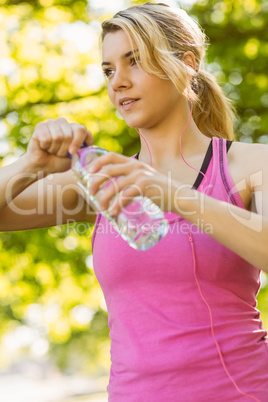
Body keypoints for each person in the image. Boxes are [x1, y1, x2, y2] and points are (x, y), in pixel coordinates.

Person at [0, 2, 267, 401]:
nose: (117, 82)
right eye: (108, 70)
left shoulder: (249, 163)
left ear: (187, 64)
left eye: (135, 61)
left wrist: (168, 193)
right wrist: (31, 163)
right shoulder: (101, 179)